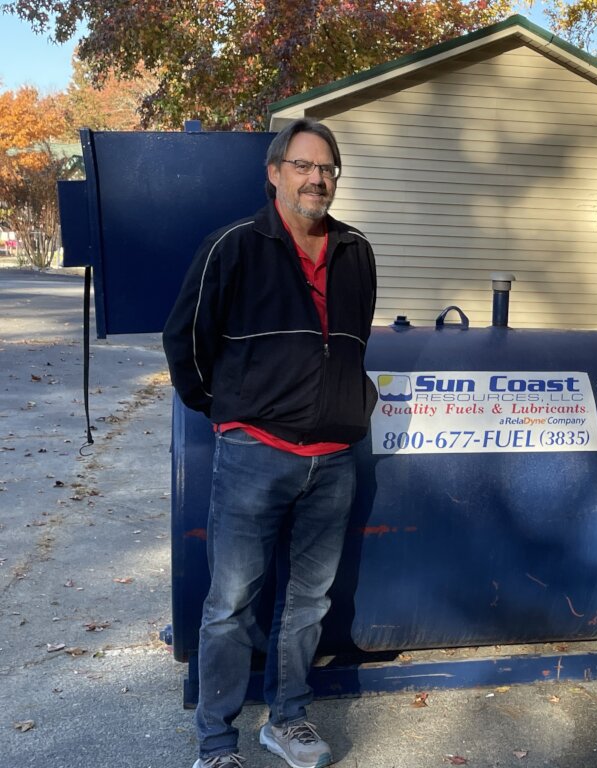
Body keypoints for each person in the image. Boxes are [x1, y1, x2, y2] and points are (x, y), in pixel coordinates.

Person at [163, 118, 377, 768]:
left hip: (332, 462)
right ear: (275, 173)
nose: (318, 178)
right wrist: (231, 412)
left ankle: (287, 719)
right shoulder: (232, 246)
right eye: (305, 165)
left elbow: (351, 342)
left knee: (308, 601)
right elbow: (185, 342)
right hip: (254, 455)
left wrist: (344, 410)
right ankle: (216, 744)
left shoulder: (357, 252)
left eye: (328, 168)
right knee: (230, 604)